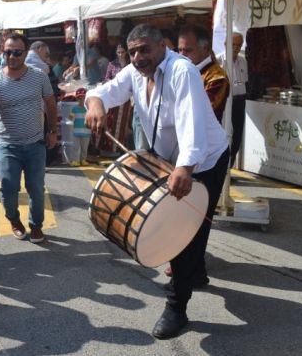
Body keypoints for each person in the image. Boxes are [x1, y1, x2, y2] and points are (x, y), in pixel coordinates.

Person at [85, 23, 229, 340]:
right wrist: (95, 102)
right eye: (133, 51)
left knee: (188, 230)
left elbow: (193, 124)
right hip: (169, 159)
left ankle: (176, 308)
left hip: (205, 159)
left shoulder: (183, 70)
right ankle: (196, 271)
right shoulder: (135, 72)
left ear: (162, 46)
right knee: (190, 231)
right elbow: (106, 91)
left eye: (144, 49)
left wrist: (186, 167)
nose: (138, 57)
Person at [0, 32, 57, 243]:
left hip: (35, 142)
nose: (12, 57)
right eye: (8, 52)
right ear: (3, 53)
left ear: (26, 53)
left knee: (36, 187)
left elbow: (50, 103)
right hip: (8, 145)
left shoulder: (39, 76)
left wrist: (52, 131)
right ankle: (14, 220)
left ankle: (36, 225)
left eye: (17, 52)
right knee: (8, 188)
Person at [178, 24, 230, 122]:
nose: (182, 55)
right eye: (180, 50)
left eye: (188, 50)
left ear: (205, 48)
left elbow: (199, 112)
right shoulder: (182, 70)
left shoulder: (217, 78)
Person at [217, 32, 248, 165]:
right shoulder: (219, 60)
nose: (235, 47)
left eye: (238, 45)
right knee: (223, 133)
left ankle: (230, 163)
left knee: (238, 134)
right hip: (225, 100)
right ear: (225, 45)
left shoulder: (243, 60)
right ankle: (222, 165)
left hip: (239, 100)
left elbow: (245, 80)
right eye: (233, 44)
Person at [68, 88, 91, 166]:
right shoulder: (74, 109)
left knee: (85, 148)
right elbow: (70, 118)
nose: (81, 100)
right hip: (76, 132)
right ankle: (75, 160)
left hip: (86, 132)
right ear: (77, 99)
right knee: (76, 147)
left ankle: (83, 159)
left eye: (83, 98)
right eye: (79, 98)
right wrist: (71, 116)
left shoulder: (89, 109)